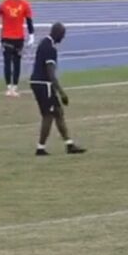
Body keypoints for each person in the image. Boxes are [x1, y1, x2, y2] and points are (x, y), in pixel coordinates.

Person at [30, 23, 87, 156]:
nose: (63, 38)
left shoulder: (44, 42)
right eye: (63, 35)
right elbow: (51, 74)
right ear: (58, 34)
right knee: (48, 115)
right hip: (43, 84)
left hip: (39, 82)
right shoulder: (50, 49)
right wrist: (62, 93)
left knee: (58, 112)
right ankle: (40, 148)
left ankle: (69, 144)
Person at [0, 0, 35, 97]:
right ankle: (9, 87)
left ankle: (15, 87)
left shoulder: (25, 5)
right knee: (7, 62)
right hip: (7, 38)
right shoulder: (4, 5)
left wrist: (31, 36)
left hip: (19, 38)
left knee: (17, 63)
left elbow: (29, 22)